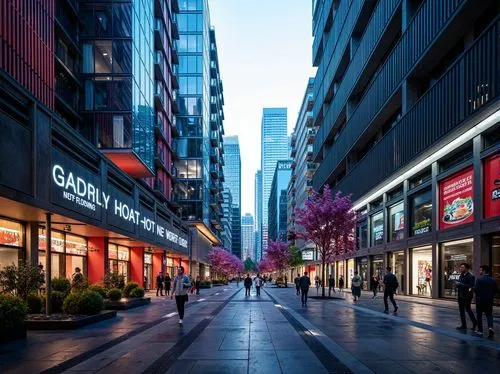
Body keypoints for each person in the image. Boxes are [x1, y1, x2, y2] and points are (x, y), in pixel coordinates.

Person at [474, 265, 497, 338]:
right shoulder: (492, 280)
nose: (479, 271)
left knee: (479, 315)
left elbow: (475, 289)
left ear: (483, 271)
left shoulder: (479, 279)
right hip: (489, 300)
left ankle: (480, 331)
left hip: (480, 300)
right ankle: (490, 328)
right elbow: (495, 290)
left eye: (480, 270)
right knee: (489, 314)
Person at [455, 263, 477, 331]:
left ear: (467, 268)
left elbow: (471, 287)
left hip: (467, 297)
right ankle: (463, 325)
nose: (461, 269)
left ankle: (475, 323)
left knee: (468, 310)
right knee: (461, 311)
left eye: (462, 267)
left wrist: (460, 284)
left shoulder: (470, 276)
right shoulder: (461, 276)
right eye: (460, 267)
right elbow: (460, 285)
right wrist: (457, 284)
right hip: (460, 296)